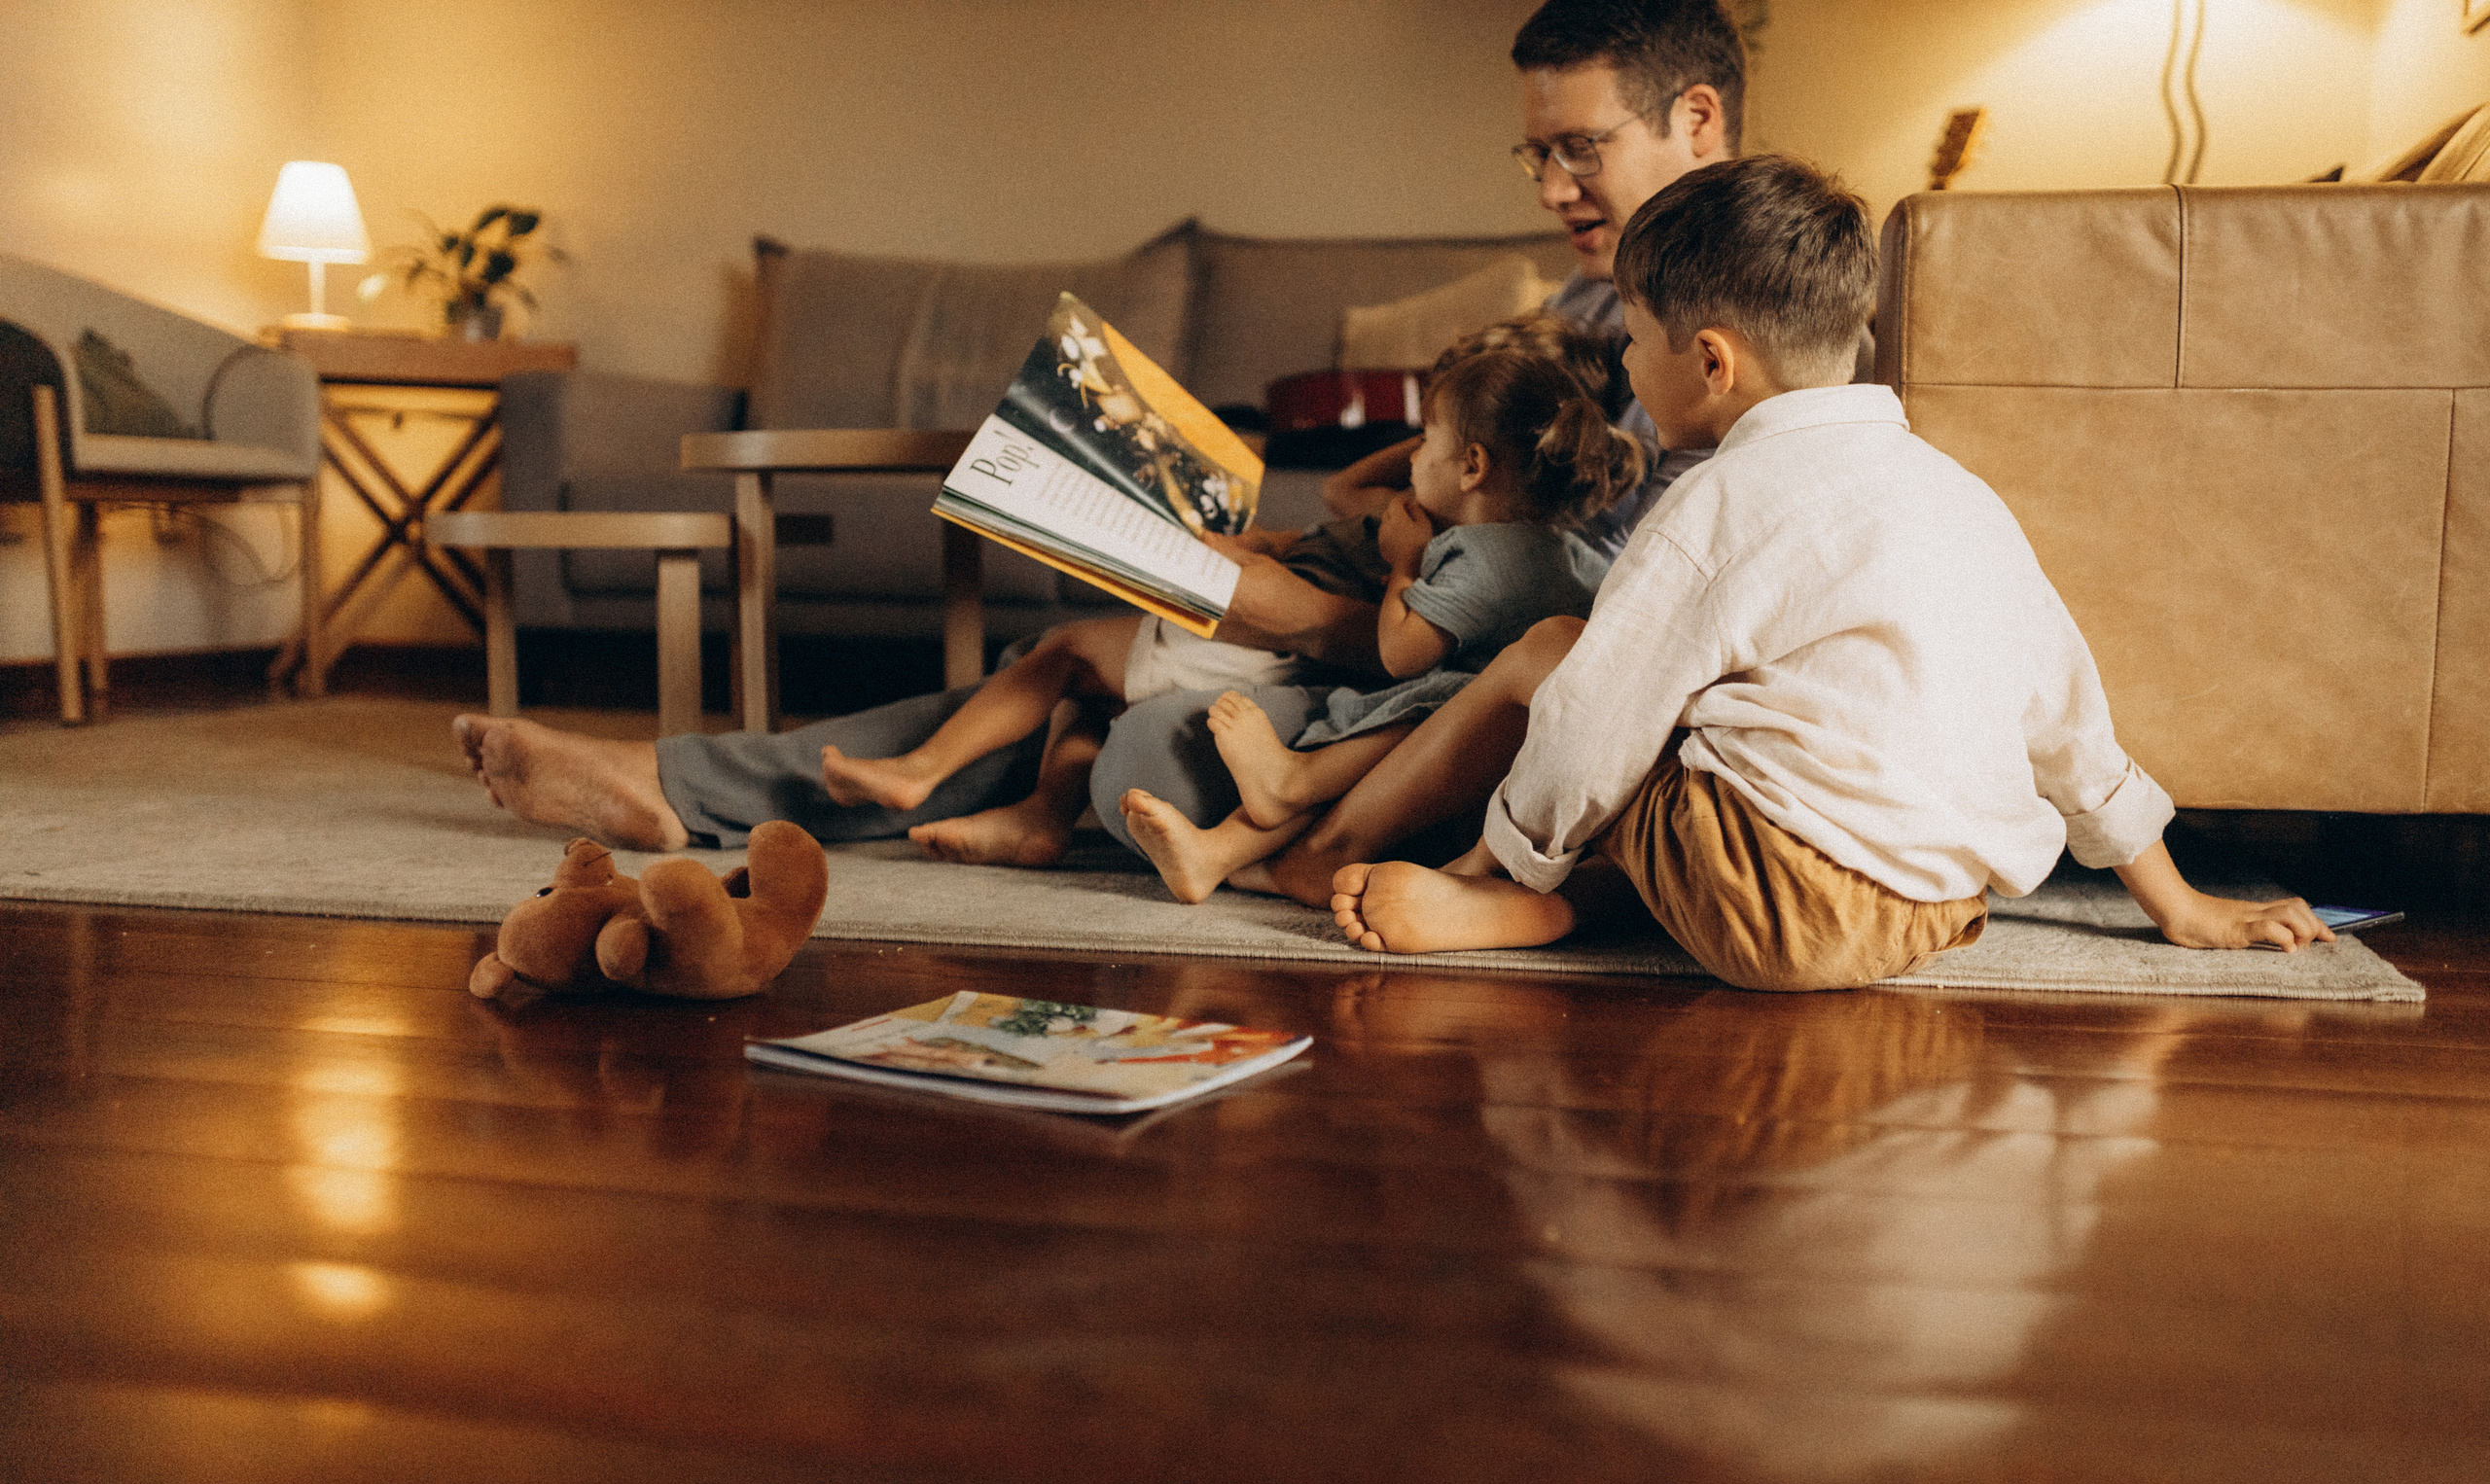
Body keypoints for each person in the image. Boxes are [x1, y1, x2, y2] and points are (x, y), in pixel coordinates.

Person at [454, 0, 1745, 861]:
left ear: (1696, 118)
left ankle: (711, 788)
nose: (1552, 186)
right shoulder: (1585, 294)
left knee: (1134, 727)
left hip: (1458, 689)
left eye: (1581, 146)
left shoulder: (1739, 327)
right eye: (1534, 157)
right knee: (1088, 646)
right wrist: (1326, 540)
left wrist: (1317, 616)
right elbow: (1492, 498)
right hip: (1403, 618)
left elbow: (1595, 615)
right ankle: (690, 784)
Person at [1328, 155, 2334, 985]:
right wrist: (2181, 905)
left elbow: (1591, 726)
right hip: (1932, 910)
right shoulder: (1959, 496)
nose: (1626, 370)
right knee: (1720, 713)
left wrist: (1494, 864)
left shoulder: (1711, 504)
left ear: (1711, 362)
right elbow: (2067, 720)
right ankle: (1560, 907)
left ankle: (1508, 907)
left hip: (1768, 903)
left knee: (1568, 658)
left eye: (1633, 342)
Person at [1120, 348, 1642, 901]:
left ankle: (1286, 787)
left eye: (1425, 443)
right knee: (1379, 736)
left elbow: (1400, 655)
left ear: (1472, 467)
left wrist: (1404, 563)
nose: (1414, 459)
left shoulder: (1479, 558)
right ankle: (1218, 851)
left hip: (1482, 741)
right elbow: (1345, 492)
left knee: (1382, 728)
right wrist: (1444, 441)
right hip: (1504, 735)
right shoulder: (1559, 549)